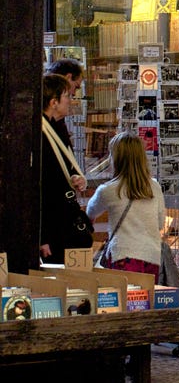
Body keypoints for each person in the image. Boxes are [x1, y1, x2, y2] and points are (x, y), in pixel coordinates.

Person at [86, 132, 165, 276]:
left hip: (123, 255)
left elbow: (90, 213)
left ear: (116, 159)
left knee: (124, 298)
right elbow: (160, 223)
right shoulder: (154, 187)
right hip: (152, 256)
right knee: (146, 297)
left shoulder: (109, 190)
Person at [40, 74, 92, 264]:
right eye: (67, 96)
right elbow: (41, 185)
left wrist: (75, 177)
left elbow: (64, 168)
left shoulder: (55, 128)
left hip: (61, 217)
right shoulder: (42, 134)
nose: (71, 101)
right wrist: (43, 236)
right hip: (53, 223)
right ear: (54, 102)